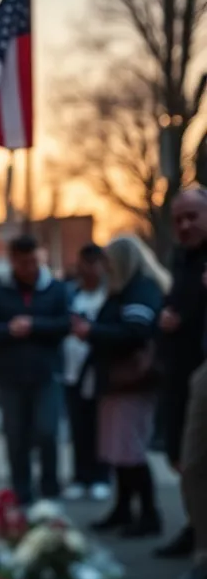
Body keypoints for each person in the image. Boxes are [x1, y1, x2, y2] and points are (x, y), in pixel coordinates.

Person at [75, 236, 167, 537]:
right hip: (117, 383)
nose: (105, 268)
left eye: (109, 262)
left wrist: (92, 331)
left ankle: (149, 514)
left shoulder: (140, 289)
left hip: (131, 384)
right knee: (118, 450)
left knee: (131, 451)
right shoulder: (127, 289)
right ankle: (124, 508)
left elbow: (135, 332)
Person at [0, 234, 71, 505]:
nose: (29, 268)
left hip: (46, 374)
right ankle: (21, 491)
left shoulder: (56, 290)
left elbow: (66, 324)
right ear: (12, 262)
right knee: (15, 435)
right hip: (10, 377)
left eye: (33, 261)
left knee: (47, 431)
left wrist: (34, 325)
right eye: (22, 263)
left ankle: (50, 488)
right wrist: (9, 330)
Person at [155, 189, 207, 559]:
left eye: (193, 216)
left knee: (196, 466)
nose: (186, 225)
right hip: (182, 371)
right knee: (187, 465)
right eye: (179, 219)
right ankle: (195, 531)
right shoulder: (182, 260)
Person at [61, 244, 111, 502]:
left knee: (99, 427)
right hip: (71, 371)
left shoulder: (109, 296)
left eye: (94, 264)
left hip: (98, 371)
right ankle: (81, 476)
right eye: (85, 264)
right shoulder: (71, 294)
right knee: (78, 427)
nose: (89, 270)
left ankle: (101, 476)